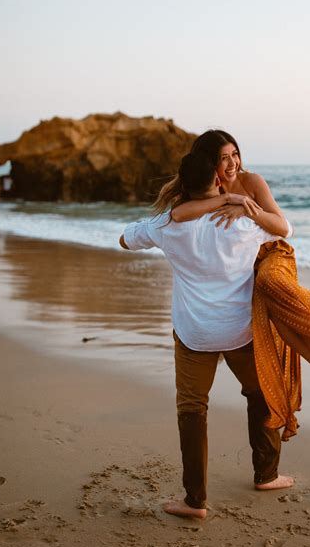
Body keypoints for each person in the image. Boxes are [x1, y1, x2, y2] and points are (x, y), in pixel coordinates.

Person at [119, 151, 295, 520]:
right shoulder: (245, 224)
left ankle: (194, 500)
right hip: (239, 330)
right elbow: (285, 229)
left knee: (192, 410)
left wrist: (169, 217)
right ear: (217, 182)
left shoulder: (165, 225)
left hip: (194, 332)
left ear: (183, 185)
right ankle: (266, 474)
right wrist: (237, 203)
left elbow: (124, 240)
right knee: (259, 394)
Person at [168, 130, 310, 439]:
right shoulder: (206, 192)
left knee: (270, 283)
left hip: (271, 256)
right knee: (272, 314)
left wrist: (248, 207)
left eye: (235, 154)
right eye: (223, 158)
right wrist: (223, 199)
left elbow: (282, 228)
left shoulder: (253, 182)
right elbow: (177, 215)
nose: (232, 163)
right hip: (243, 267)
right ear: (209, 164)